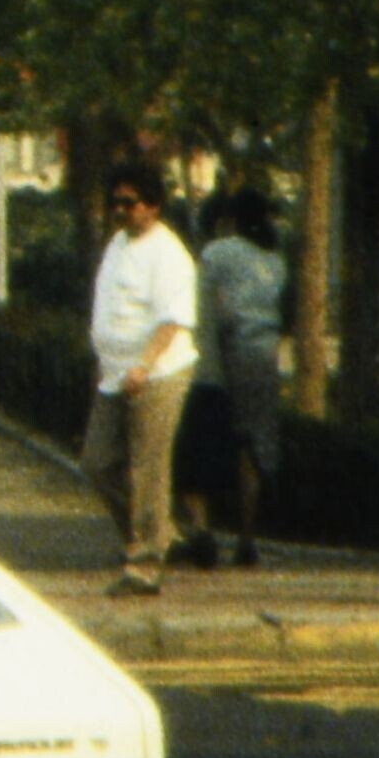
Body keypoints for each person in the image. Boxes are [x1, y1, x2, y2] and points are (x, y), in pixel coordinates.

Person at [82, 169, 201, 596]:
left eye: (129, 203)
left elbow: (173, 319)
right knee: (97, 463)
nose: (120, 210)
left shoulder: (168, 254)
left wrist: (144, 365)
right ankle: (155, 535)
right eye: (115, 202)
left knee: (148, 468)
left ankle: (146, 564)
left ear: (153, 206)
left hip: (158, 372)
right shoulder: (117, 244)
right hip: (114, 374)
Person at [189, 186, 294, 571]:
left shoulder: (216, 253)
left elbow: (204, 309)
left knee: (205, 440)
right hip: (265, 357)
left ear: (228, 219)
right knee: (252, 445)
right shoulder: (275, 260)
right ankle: (247, 538)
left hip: (222, 355)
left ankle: (203, 531)